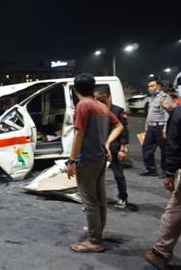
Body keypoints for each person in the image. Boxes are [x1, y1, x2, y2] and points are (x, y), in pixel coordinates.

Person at [67, 73, 123, 253]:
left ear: (75, 90)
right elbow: (118, 126)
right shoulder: (101, 106)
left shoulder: (83, 105)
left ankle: (94, 241)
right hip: (100, 158)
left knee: (90, 200)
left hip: (88, 159)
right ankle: (97, 231)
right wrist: (106, 143)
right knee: (100, 198)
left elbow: (79, 134)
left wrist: (71, 160)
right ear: (93, 88)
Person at [145, 105, 181, 269]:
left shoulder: (180, 112)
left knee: (175, 211)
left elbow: (174, 145)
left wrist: (169, 173)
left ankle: (160, 253)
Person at [94, 86, 129, 209]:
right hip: (99, 149)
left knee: (118, 175)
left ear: (107, 96)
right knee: (96, 176)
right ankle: (97, 200)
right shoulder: (96, 111)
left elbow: (124, 130)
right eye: (96, 98)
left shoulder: (118, 111)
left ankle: (122, 197)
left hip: (114, 148)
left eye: (100, 98)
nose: (98, 100)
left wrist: (122, 148)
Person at [141, 79, 174, 178]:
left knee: (164, 150)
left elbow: (167, 114)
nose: (149, 88)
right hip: (151, 127)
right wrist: (147, 127)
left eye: (152, 86)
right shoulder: (151, 98)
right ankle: (151, 169)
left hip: (161, 127)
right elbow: (149, 115)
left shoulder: (165, 97)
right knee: (146, 148)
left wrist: (165, 128)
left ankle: (165, 170)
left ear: (159, 86)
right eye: (148, 86)